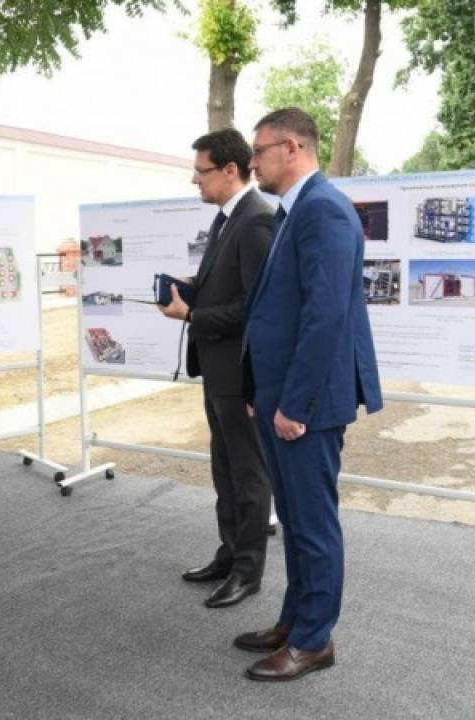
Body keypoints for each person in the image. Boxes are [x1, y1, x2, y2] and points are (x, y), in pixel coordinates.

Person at [236, 109, 383, 681]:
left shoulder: (323, 210)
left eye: (259, 151)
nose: (252, 162)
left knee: (313, 525)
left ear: (292, 148)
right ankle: (295, 622)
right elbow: (278, 311)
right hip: (283, 399)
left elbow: (324, 319)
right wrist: (261, 390)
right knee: (295, 521)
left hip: (306, 407)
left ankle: (314, 641)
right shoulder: (296, 211)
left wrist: (294, 405)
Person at [158, 128, 273, 608]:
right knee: (224, 469)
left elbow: (257, 308)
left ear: (230, 170)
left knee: (247, 474)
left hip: (240, 373)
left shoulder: (256, 220)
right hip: (217, 369)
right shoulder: (228, 219)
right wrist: (195, 285)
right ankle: (230, 554)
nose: (194, 180)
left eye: (200, 171)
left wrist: (192, 314)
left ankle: (248, 570)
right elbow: (231, 286)